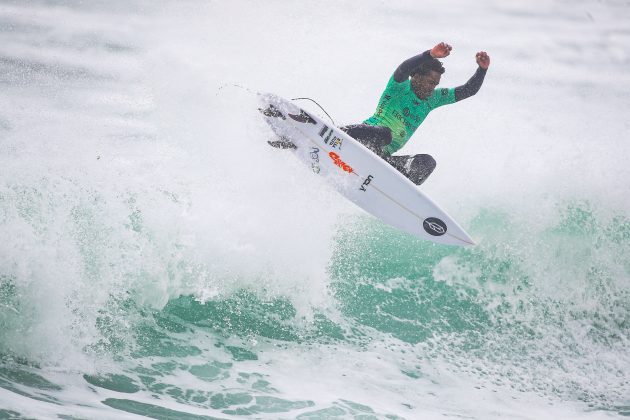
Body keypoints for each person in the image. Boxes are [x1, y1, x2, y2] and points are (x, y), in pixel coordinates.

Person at [342, 42, 490, 185]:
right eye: (430, 82)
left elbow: (468, 90)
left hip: (382, 158)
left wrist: (482, 70)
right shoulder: (399, 87)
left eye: (436, 85)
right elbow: (403, 69)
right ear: (417, 76)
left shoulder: (432, 99)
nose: (432, 88)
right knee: (385, 134)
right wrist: (429, 54)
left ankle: (389, 187)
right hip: (362, 139)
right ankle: (338, 133)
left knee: (427, 163)